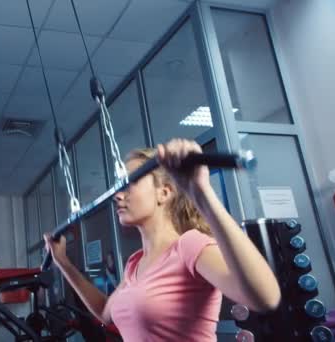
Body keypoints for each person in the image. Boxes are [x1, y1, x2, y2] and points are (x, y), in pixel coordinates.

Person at [44, 139, 281, 341]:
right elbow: (105, 312)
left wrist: (200, 192)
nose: (118, 195)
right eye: (118, 187)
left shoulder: (189, 246)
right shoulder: (134, 264)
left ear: (164, 193)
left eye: (130, 184)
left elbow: (264, 298)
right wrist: (63, 262)